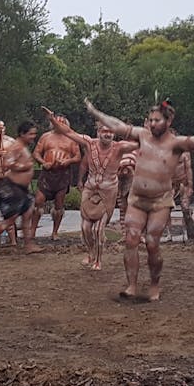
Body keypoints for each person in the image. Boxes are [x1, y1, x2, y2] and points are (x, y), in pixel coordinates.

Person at [84, 98, 194, 301]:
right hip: (137, 198)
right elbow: (117, 125)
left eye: (157, 120)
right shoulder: (142, 135)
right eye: (150, 120)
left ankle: (154, 284)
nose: (152, 124)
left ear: (168, 121)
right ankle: (131, 285)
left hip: (160, 201)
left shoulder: (176, 144)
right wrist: (95, 111)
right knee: (131, 238)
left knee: (151, 243)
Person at [43, 107, 138, 270]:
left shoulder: (119, 147)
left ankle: (99, 260)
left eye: (110, 131)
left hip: (108, 191)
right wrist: (52, 120)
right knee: (85, 228)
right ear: (98, 131)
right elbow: (68, 132)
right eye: (104, 130)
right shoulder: (89, 142)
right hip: (90, 188)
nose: (107, 134)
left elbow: (140, 142)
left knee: (98, 229)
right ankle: (90, 253)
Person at [0, 121, 43, 257]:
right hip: (12, 188)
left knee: (27, 215)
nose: (33, 136)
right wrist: (23, 167)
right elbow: (7, 163)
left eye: (34, 134)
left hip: (22, 189)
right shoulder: (16, 147)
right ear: (22, 134)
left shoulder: (23, 146)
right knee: (10, 219)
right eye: (31, 134)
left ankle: (28, 245)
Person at [31, 114, 81, 241]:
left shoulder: (71, 138)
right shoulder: (46, 137)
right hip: (47, 173)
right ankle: (32, 232)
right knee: (38, 201)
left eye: (62, 123)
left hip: (62, 174)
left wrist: (67, 161)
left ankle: (55, 232)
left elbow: (77, 157)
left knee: (59, 205)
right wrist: (43, 162)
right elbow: (36, 153)